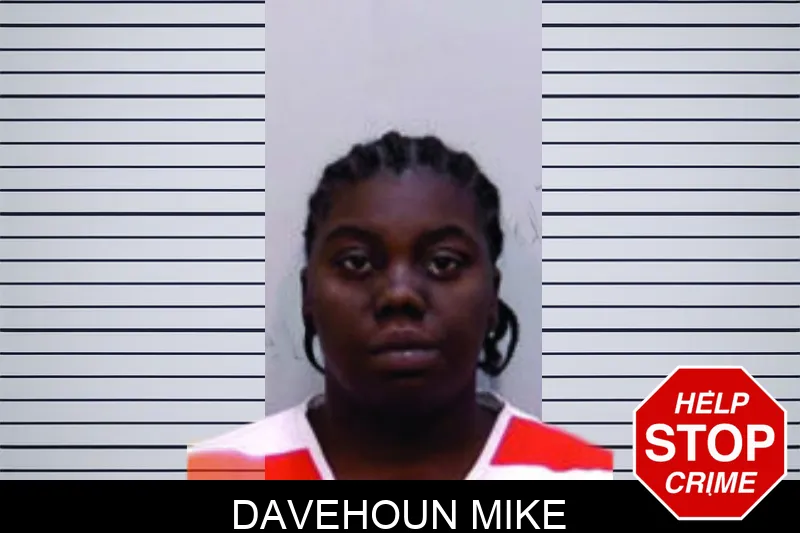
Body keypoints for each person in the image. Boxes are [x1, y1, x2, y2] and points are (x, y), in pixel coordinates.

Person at [187, 131, 613, 480]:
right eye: (356, 262)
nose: (399, 295)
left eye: (444, 263)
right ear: (307, 296)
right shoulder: (221, 475)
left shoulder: (580, 477)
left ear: (492, 299)